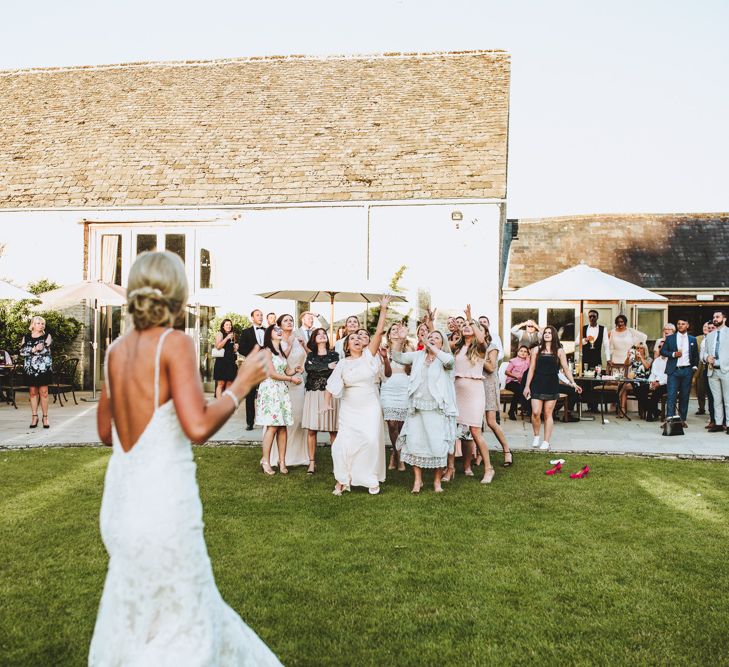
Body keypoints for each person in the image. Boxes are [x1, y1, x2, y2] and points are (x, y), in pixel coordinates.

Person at [91, 250, 280, 666]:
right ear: (178, 294)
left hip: (121, 503)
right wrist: (241, 385)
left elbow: (106, 434)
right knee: (185, 609)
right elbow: (197, 428)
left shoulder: (115, 350)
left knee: (139, 611)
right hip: (163, 500)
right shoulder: (174, 344)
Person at [324, 296, 391, 495]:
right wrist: (327, 404)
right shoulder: (343, 363)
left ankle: (369, 477)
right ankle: (343, 479)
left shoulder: (369, 356)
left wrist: (384, 308)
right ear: (346, 346)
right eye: (351, 339)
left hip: (370, 404)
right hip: (349, 406)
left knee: (370, 440)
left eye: (358, 338)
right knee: (344, 443)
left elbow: (379, 331)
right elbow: (331, 386)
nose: (356, 340)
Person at [391, 329, 457, 493]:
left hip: (437, 408)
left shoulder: (445, 359)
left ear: (442, 343)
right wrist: (400, 339)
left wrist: (430, 346)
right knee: (415, 442)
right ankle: (417, 481)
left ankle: (436, 482)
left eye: (437, 338)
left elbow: (448, 360)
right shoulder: (418, 356)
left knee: (437, 444)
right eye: (430, 337)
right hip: (417, 407)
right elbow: (397, 357)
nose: (433, 339)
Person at [452, 305, 495, 484]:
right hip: (457, 393)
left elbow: (481, 338)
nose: (467, 327)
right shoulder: (457, 348)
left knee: (475, 431)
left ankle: (488, 468)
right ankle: (450, 468)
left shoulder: (480, 348)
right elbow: (439, 345)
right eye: (465, 326)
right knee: (454, 432)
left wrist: (470, 318)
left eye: (470, 326)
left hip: (475, 393)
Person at [524, 325, 582, 451]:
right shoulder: (536, 350)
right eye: (545, 332)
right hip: (537, 383)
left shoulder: (559, 351)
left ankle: (546, 441)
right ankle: (536, 436)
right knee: (535, 412)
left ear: (554, 335)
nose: (547, 334)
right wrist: (527, 386)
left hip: (552, 384)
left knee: (548, 413)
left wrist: (573, 383)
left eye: (550, 332)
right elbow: (531, 369)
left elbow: (566, 368)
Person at [257, 324, 302, 475]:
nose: (280, 331)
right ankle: (265, 461)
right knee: (272, 427)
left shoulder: (281, 352)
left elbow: (286, 369)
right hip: (270, 390)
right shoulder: (266, 351)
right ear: (269, 334)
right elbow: (272, 373)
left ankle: (282, 461)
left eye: (280, 330)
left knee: (283, 427)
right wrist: (291, 378)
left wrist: (295, 370)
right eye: (276, 330)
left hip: (281, 391)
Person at [271, 314, 307, 469]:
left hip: (298, 381)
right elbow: (280, 360)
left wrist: (301, 367)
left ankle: (298, 455)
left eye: (291, 320)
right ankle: (279, 456)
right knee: (282, 420)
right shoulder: (277, 341)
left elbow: (305, 358)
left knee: (298, 419)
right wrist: (290, 344)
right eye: (286, 320)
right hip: (282, 383)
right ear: (279, 324)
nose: (289, 322)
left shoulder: (298, 340)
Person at [301, 327, 340, 473]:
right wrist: (326, 366)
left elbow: (336, 370)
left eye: (324, 334)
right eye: (319, 334)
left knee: (333, 430)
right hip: (313, 393)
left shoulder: (334, 355)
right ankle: (311, 462)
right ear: (314, 339)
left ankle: (337, 462)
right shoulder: (310, 356)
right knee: (312, 429)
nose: (322, 336)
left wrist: (320, 367)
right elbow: (308, 369)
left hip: (330, 394)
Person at [479, 316, 513, 466]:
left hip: (488, 385)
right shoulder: (471, 348)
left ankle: (507, 450)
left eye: (480, 330)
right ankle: (480, 454)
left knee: (491, 421)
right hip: (475, 386)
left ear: (486, 333)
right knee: (476, 423)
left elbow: (491, 367)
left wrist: (478, 357)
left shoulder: (491, 347)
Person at [380, 323, 412, 471]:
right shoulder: (383, 348)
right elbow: (386, 373)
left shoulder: (408, 349)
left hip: (404, 387)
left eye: (398, 330)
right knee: (392, 425)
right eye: (393, 329)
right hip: (388, 388)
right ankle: (399, 456)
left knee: (401, 426)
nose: (395, 332)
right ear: (388, 333)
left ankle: (394, 452)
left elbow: (409, 370)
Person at [660, 318, 699, 428]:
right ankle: (669, 420)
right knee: (671, 396)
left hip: (687, 370)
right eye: (679, 324)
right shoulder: (670, 338)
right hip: (674, 370)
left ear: (687, 325)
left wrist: (694, 367)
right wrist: (673, 354)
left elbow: (696, 355)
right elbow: (663, 351)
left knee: (684, 396)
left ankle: (682, 420)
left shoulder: (692, 339)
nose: (680, 325)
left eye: (683, 324)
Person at [19, 316, 53, 428]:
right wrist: (34, 349)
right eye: (38, 323)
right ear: (32, 324)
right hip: (30, 369)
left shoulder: (47, 336)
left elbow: (45, 349)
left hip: (43, 369)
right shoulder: (26, 337)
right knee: (33, 393)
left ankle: (45, 417)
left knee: (44, 392)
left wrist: (31, 350)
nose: (41, 325)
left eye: (43, 323)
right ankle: (34, 417)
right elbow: (22, 352)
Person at [239, 309, 267, 431]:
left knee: (265, 394)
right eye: (257, 315)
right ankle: (250, 422)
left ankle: (266, 420)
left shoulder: (267, 331)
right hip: (251, 366)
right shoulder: (246, 332)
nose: (260, 317)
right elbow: (241, 349)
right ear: (252, 318)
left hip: (266, 366)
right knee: (250, 395)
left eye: (261, 315)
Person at [703, 310, 729, 433]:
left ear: (724, 319)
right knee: (716, 399)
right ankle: (718, 423)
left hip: (726, 370)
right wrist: (706, 357)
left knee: (728, 399)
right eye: (713, 317)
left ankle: (728, 424)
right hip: (712, 371)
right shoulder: (710, 335)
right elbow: (704, 352)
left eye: (717, 317)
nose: (715, 319)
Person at [618, 342, 652, 418]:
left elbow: (647, 366)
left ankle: (621, 406)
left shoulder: (649, 359)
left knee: (625, 386)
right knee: (625, 384)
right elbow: (626, 364)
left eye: (641, 348)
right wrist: (627, 357)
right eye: (637, 348)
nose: (639, 350)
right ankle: (623, 409)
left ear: (645, 350)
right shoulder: (633, 359)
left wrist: (641, 358)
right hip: (633, 380)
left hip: (643, 381)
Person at [213, 318, 239, 399]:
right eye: (227, 325)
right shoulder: (220, 334)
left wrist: (236, 348)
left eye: (230, 325)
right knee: (221, 383)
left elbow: (233, 350)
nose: (229, 326)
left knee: (229, 383)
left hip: (231, 361)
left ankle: (225, 402)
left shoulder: (233, 334)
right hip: (221, 362)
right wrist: (227, 338)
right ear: (223, 326)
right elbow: (218, 347)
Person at [505, 345, 531, 420]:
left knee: (527, 390)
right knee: (519, 390)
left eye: (525, 351)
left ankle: (527, 410)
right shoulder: (513, 361)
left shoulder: (528, 361)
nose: (523, 353)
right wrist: (515, 376)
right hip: (511, 382)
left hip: (522, 383)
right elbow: (506, 372)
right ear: (518, 352)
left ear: (527, 353)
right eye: (521, 351)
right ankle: (512, 411)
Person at [644, 341, 668, 421]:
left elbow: (668, 376)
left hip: (665, 383)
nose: (661, 348)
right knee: (640, 389)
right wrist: (651, 382)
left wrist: (659, 383)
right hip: (655, 381)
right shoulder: (657, 360)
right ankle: (656, 411)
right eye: (659, 347)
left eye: (663, 346)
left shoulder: (671, 361)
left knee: (656, 392)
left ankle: (650, 414)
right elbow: (653, 373)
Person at [699, 321, 717, 428]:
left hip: (722, 369)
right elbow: (701, 356)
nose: (710, 329)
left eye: (712, 327)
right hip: (708, 368)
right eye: (708, 328)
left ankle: (724, 420)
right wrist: (707, 358)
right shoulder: (705, 341)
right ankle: (713, 419)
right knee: (710, 396)